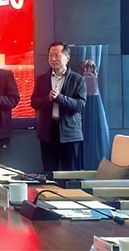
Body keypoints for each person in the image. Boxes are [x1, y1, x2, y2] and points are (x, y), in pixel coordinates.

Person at [31, 42, 86, 172]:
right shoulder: (41, 79)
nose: (53, 59)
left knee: (71, 173)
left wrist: (60, 98)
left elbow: (80, 105)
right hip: (48, 132)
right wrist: (48, 98)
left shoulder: (78, 80)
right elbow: (34, 103)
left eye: (57, 55)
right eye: (50, 55)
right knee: (50, 172)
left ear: (67, 58)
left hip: (70, 134)